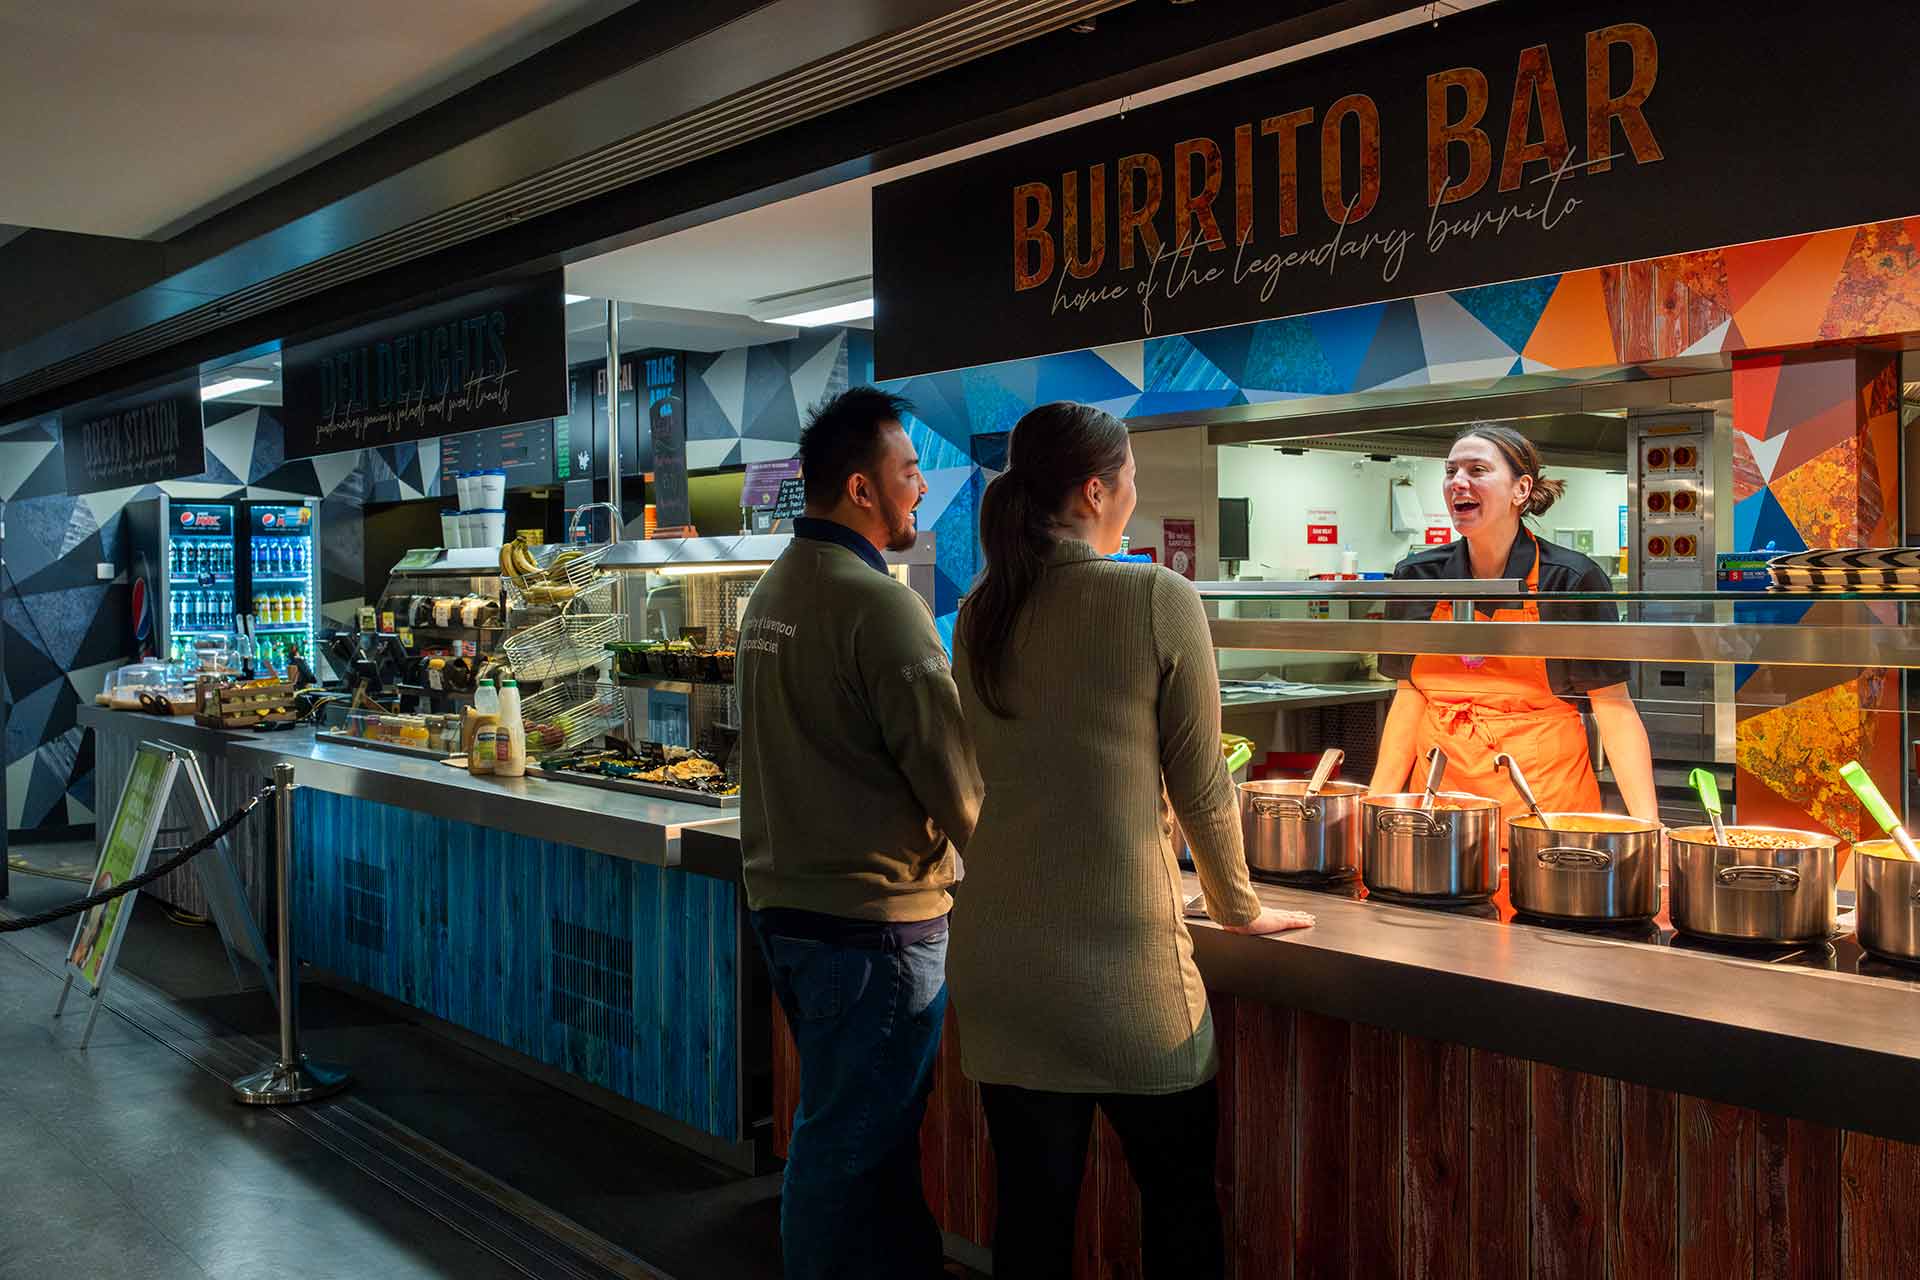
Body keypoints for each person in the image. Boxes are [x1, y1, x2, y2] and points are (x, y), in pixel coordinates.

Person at [947, 401, 1312, 1280]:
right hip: (1126, 973)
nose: (1134, 494)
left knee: (1031, 1223)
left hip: (1000, 964)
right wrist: (1238, 908)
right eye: (1132, 478)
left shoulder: (978, 609)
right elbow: (1201, 782)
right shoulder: (1155, 595)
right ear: (1096, 488)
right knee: (1180, 1213)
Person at [735, 386, 982, 1280]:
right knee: (846, 1149)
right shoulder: (880, 605)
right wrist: (1013, 862)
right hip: (875, 923)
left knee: (869, 1142)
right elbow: (951, 776)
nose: (922, 486)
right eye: (909, 470)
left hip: (790, 911)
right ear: (861, 488)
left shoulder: (772, 592)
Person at [1368, 423, 1659, 824]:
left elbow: (1612, 706)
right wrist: (1376, 809)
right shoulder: (1418, 576)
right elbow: (1409, 699)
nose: (1458, 482)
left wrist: (1647, 824)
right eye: (1451, 471)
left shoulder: (1570, 579)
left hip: (1544, 812)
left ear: (1521, 490)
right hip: (1440, 813)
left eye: (1477, 470)